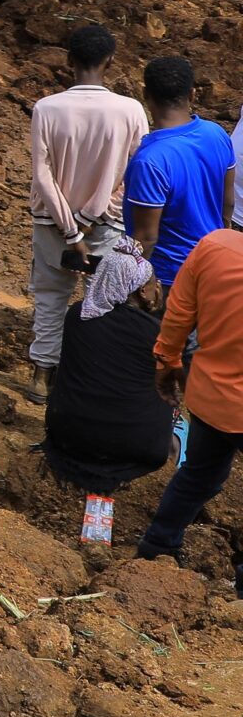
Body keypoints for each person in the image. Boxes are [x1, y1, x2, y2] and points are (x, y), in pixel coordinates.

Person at [26, 25, 153, 386]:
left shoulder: (46, 108)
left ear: (69, 61)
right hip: (107, 226)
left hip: (51, 223)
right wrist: (86, 220)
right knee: (102, 302)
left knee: (51, 296)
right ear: (110, 61)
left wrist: (70, 228)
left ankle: (41, 375)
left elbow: (42, 175)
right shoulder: (130, 110)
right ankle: (89, 377)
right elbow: (133, 175)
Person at [135, 219, 243, 577]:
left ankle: (156, 549)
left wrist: (167, 361)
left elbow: (178, 311)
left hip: (212, 398)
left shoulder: (216, 247)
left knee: (199, 476)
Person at [41, 242, 174, 489]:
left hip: (67, 435)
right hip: (137, 448)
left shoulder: (77, 315)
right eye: (154, 285)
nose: (158, 289)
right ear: (143, 292)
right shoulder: (157, 335)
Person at [127, 55, 235, 291]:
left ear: (145, 94)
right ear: (192, 94)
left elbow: (146, 237)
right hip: (212, 265)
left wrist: (131, 286)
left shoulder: (149, 161)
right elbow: (227, 204)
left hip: (167, 278)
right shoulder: (216, 134)